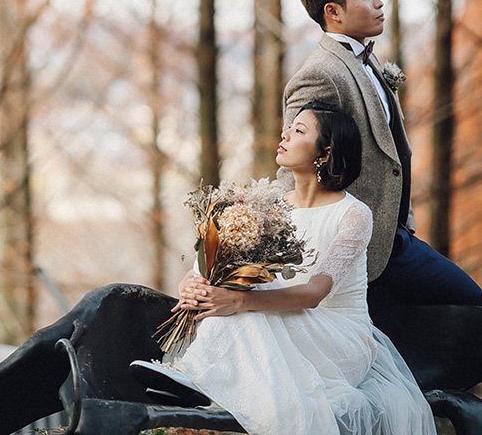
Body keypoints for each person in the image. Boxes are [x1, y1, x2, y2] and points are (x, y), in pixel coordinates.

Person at [132, 102, 436, 435]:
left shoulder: (354, 214)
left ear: (325, 152)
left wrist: (238, 301)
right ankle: (196, 378)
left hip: (337, 337)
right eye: (289, 128)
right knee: (236, 287)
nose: (285, 134)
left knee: (245, 296)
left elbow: (314, 293)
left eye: (299, 131)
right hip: (280, 320)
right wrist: (193, 284)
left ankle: (199, 378)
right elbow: (213, 265)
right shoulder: (271, 205)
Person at [282, 0, 482, 305]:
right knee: (471, 302)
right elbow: (295, 159)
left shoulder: (367, 59)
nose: (378, 2)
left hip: (396, 236)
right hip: (363, 248)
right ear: (333, 12)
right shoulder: (321, 74)